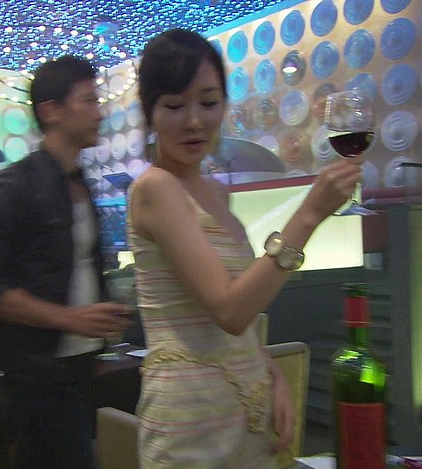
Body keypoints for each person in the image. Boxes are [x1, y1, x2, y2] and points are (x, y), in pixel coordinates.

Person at [127, 29, 360, 467]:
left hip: (247, 407)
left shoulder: (216, 191)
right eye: (174, 106)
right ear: (150, 113)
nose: (194, 121)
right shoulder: (155, 188)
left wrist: (269, 371)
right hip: (191, 423)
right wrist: (309, 214)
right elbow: (229, 310)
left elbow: (237, 320)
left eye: (208, 102)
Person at [0, 55, 131, 469]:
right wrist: (69, 319)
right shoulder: (16, 185)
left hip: (77, 367)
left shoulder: (79, 181)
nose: (99, 113)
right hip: (37, 376)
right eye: (89, 101)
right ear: (51, 110)